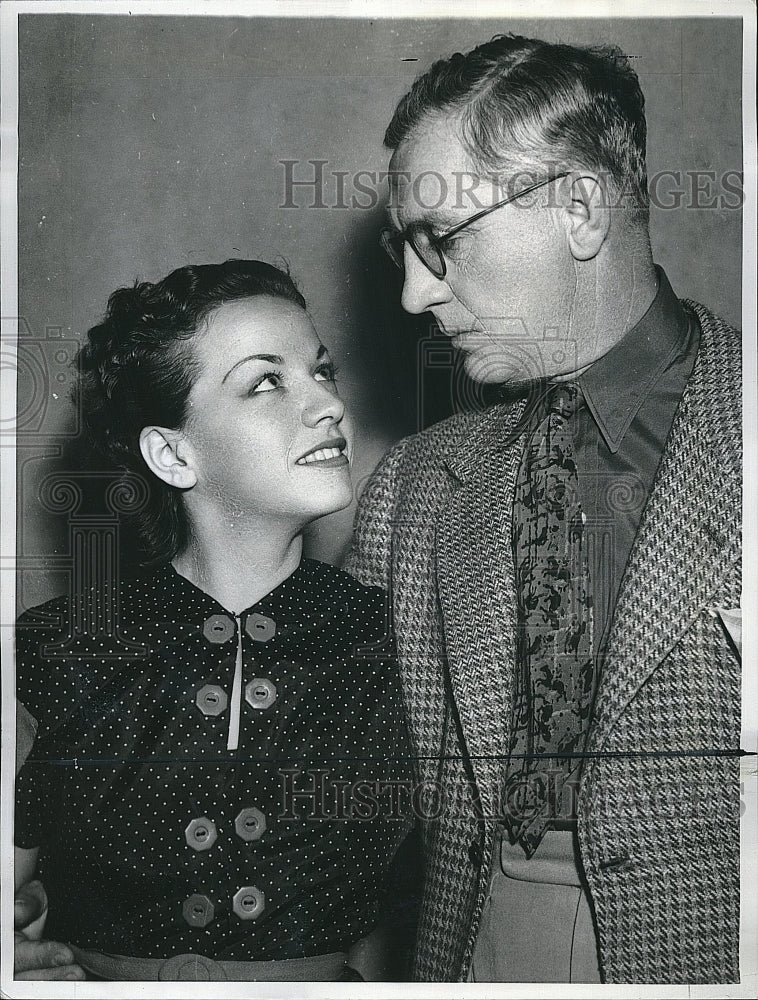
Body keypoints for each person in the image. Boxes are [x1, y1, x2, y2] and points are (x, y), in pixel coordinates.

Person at [346, 34, 742, 983]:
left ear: (578, 208)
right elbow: (352, 794)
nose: (411, 293)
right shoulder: (410, 488)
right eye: (403, 249)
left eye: (440, 240)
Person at [14, 259, 414, 982]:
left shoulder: (399, 640)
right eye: (268, 381)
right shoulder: (54, 649)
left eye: (321, 372)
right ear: (172, 453)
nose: (327, 405)